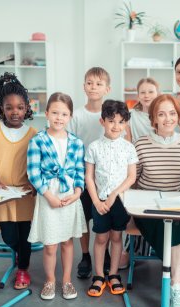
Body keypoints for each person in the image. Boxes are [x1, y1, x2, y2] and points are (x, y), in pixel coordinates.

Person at [134, 94, 180, 307]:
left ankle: (176, 286)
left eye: (172, 113)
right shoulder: (141, 145)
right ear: (153, 119)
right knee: (176, 226)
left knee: (178, 222)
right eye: (161, 114)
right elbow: (133, 181)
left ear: (179, 117)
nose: (167, 118)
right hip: (147, 209)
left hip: (175, 207)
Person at [0, 72, 37, 290]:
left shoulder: (33, 133)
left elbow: (38, 163)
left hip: (25, 195)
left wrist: (34, 182)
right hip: (2, 194)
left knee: (25, 236)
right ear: (1, 108)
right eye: (10, 107)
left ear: (27, 109)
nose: (15, 112)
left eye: (20, 107)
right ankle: (19, 255)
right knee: (9, 236)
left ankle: (23, 270)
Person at [27, 92, 86, 300]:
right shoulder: (38, 141)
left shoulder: (77, 143)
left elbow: (80, 171)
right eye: (55, 113)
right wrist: (48, 196)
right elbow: (33, 172)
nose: (59, 118)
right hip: (48, 195)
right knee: (51, 244)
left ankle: (67, 281)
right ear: (46, 114)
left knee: (67, 241)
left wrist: (78, 192)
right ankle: (50, 280)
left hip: (69, 195)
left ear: (70, 116)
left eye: (64, 114)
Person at [85, 100, 138, 297]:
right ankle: (98, 276)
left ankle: (114, 274)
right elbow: (89, 177)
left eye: (121, 122)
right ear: (102, 121)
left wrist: (114, 194)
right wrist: (97, 202)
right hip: (99, 201)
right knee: (100, 238)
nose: (116, 126)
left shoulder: (128, 148)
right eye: (111, 121)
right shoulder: (94, 147)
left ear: (126, 124)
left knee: (116, 237)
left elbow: (131, 176)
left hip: (120, 202)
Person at [67, 67, 111, 279]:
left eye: (99, 84)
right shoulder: (76, 115)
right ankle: (85, 255)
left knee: (105, 217)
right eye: (90, 83)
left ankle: (107, 252)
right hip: (83, 175)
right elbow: (71, 146)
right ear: (84, 86)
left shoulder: (109, 114)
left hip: (106, 177)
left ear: (107, 88)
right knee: (83, 219)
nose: (94, 87)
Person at [119, 78, 160, 269]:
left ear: (157, 93)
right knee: (136, 210)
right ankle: (130, 250)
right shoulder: (132, 115)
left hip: (157, 163)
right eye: (143, 92)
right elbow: (128, 139)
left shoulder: (161, 114)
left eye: (151, 91)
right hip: (137, 162)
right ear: (138, 95)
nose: (146, 95)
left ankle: (156, 247)